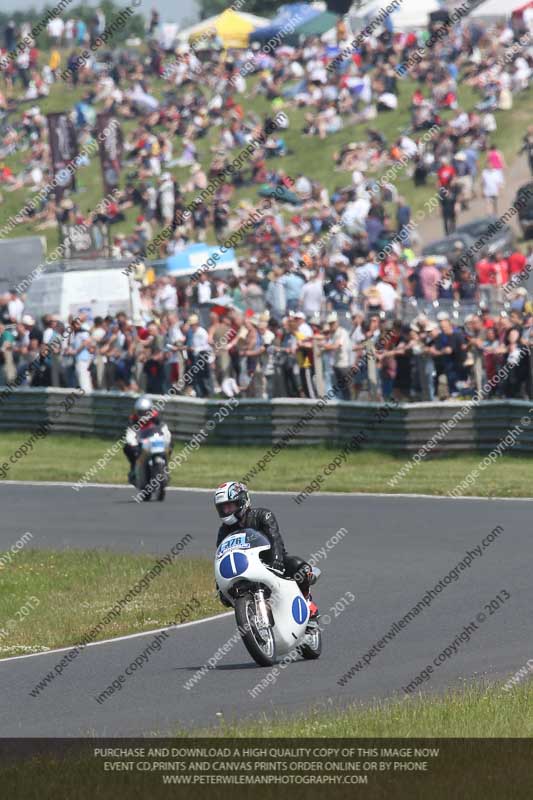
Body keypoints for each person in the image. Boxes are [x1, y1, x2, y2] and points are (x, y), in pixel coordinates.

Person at [214, 482, 319, 618]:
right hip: (245, 568)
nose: (226, 511)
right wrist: (219, 585)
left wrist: (276, 559)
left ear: (242, 501)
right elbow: (221, 556)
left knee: (300, 567)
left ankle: (307, 600)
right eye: (223, 508)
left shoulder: (263, 515)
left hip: (270, 561)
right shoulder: (223, 531)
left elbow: (275, 539)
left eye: (230, 506)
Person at [123, 395, 171, 484]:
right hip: (140, 441)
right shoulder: (133, 419)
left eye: (145, 412)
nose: (142, 415)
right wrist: (132, 443)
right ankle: (134, 469)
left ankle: (165, 468)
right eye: (140, 412)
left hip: (154, 439)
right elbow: (130, 433)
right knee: (127, 448)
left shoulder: (156, 417)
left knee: (170, 446)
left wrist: (166, 439)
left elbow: (164, 428)